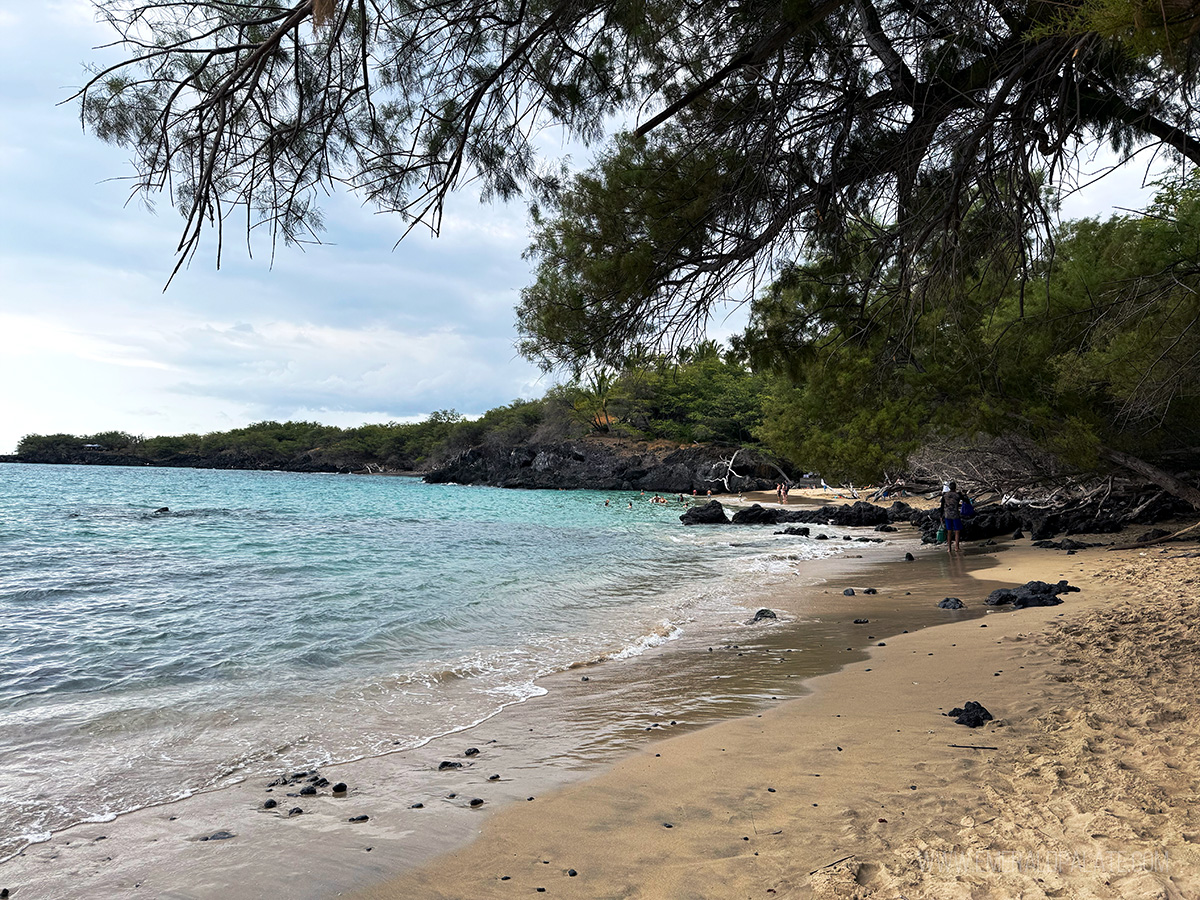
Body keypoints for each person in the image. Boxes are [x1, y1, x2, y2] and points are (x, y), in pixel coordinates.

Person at [940, 480, 965, 553]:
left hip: (947, 515)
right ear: (955, 488)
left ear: (949, 488)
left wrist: (941, 515)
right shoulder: (957, 495)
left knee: (949, 531)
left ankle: (949, 548)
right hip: (955, 515)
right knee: (957, 531)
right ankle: (957, 547)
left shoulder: (945, 495)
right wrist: (963, 494)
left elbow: (942, 506)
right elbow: (965, 500)